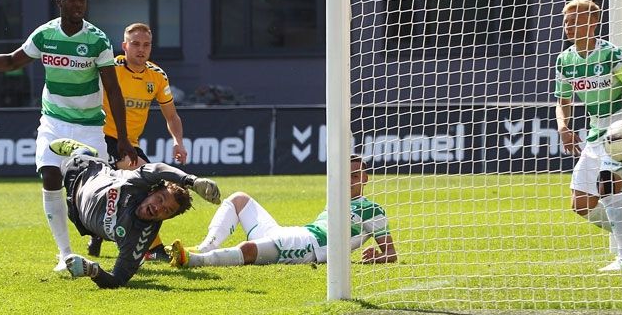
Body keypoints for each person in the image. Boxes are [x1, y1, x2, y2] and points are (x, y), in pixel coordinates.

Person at [0, 0, 136, 272]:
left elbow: (113, 91)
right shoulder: (44, 34)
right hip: (54, 122)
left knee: (97, 193)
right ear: (59, 2)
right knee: (50, 176)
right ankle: (65, 255)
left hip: (89, 127)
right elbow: (10, 62)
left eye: (82, 0)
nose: (78, 5)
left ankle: (113, 241)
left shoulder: (97, 40)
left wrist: (124, 139)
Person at [168, 155, 396, 268]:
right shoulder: (336, 201)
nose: (349, 180)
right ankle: (205, 247)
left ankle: (193, 260)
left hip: (311, 247)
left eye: (355, 176)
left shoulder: (371, 209)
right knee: (239, 199)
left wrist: (378, 257)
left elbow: (391, 253)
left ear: (365, 178)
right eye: (345, 175)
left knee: (248, 249)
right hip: (297, 232)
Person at [49, 138, 221, 288]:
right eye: (160, 199)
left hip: (81, 218)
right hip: (85, 173)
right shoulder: (138, 183)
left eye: (166, 210)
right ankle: (82, 151)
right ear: (151, 191)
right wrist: (191, 181)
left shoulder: (141, 237)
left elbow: (118, 279)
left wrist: (94, 272)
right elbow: (158, 169)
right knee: (57, 169)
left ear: (167, 218)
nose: (158, 208)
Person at [554, 0, 622, 272]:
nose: (569, 26)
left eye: (575, 21)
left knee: (609, 185)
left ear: (593, 22)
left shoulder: (611, 54)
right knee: (580, 204)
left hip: (620, 132)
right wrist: (563, 127)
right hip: (596, 133)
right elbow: (563, 100)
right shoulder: (565, 60)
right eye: (566, 22)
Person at [87, 22, 188, 261]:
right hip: (103, 139)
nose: (141, 49)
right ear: (124, 46)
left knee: (134, 190)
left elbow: (172, 116)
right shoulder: (110, 68)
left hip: (130, 143)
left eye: (146, 45)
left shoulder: (157, 76)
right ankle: (152, 249)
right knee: (150, 185)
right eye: (135, 44)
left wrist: (178, 141)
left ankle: (98, 232)